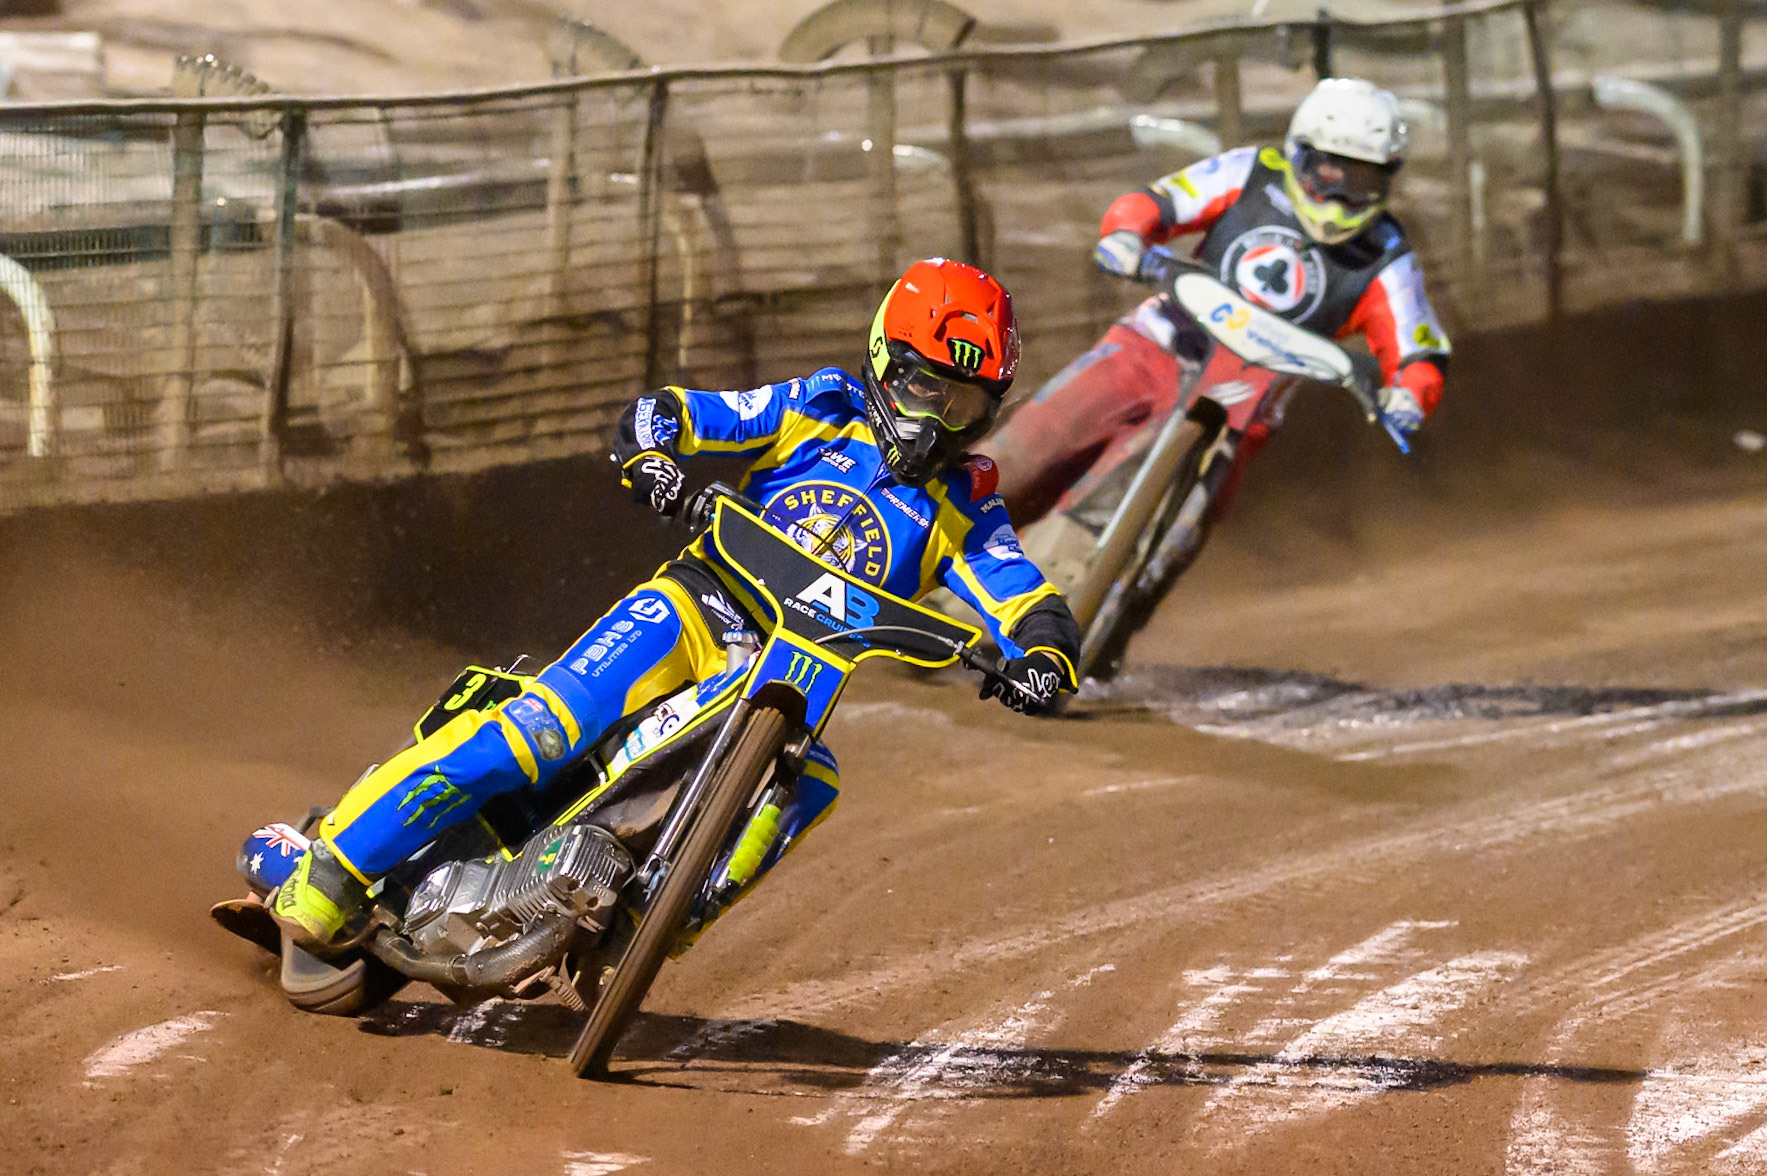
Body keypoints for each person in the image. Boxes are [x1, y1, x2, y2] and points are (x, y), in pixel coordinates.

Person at [269, 257, 1082, 953]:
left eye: (965, 404)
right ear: (884, 360)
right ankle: (333, 870)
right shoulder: (820, 408)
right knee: (538, 730)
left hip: (795, 680)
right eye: (923, 385)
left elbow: (1025, 595)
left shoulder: (964, 505)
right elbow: (679, 413)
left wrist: (1042, 657)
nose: (936, 417)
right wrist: (653, 457)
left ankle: (658, 925)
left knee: (811, 784)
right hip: (695, 608)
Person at [980, 77, 1452, 529]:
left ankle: (1110, 600)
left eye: (1362, 178)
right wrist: (1127, 236)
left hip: (1242, 411)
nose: (1341, 194)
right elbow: (1160, 202)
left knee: (1179, 536)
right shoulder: (1251, 171)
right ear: (1301, 153)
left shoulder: (1387, 253)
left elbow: (1419, 348)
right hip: (1153, 347)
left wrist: (1410, 394)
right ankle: (915, 543)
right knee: (1018, 455)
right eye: (1332, 171)